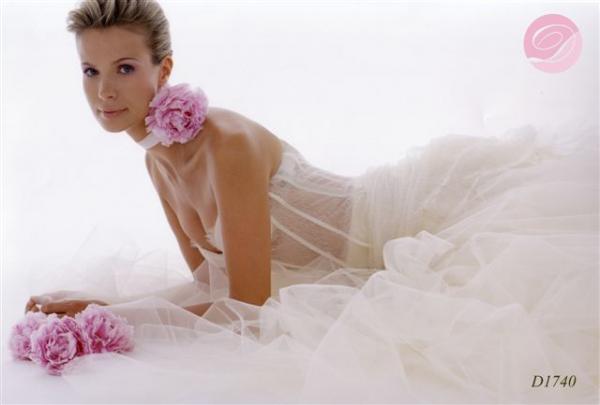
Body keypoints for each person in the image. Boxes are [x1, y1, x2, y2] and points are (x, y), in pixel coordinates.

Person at [20, 0, 598, 403]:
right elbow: (208, 283)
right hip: (339, 266)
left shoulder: (227, 145)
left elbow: (247, 306)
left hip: (407, 225)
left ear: (163, 70)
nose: (104, 91)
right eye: (90, 70)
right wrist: (99, 305)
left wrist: (113, 318)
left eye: (124, 68)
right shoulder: (156, 161)